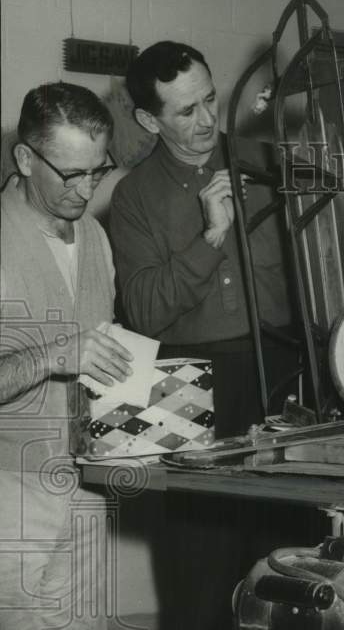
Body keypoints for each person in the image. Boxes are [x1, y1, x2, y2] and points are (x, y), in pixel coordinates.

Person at [109, 41, 294, 438]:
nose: (209, 119)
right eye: (187, 111)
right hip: (182, 377)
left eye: (210, 99)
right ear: (149, 120)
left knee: (291, 496)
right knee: (204, 499)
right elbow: (143, 313)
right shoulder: (132, 197)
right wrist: (211, 238)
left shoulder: (271, 164)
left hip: (284, 366)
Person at [0, 82, 133, 630]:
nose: (85, 189)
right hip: (12, 496)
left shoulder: (96, 238)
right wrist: (56, 354)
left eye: (97, 170)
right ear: (26, 159)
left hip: (87, 488)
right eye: (70, 174)